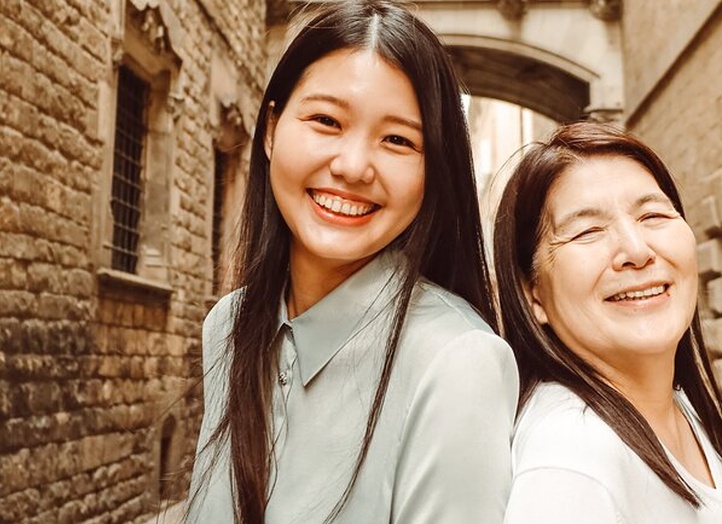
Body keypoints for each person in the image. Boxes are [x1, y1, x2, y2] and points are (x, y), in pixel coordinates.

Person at [184, 2, 519, 523]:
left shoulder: (457, 363)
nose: (353, 166)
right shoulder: (229, 325)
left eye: (398, 140)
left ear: (435, 172)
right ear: (271, 129)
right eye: (325, 120)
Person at [493, 122, 722, 523]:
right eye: (587, 231)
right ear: (533, 294)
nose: (636, 251)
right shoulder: (571, 456)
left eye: (652, 215)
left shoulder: (679, 408)